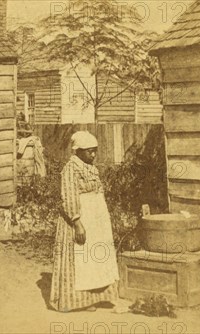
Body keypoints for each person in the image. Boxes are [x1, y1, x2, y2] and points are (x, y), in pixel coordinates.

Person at [49, 131, 119, 312]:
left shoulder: (91, 168)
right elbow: (69, 197)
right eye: (89, 151)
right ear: (78, 151)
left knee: (95, 259)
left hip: (96, 219)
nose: (93, 155)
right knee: (81, 258)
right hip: (79, 218)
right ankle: (76, 300)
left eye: (95, 151)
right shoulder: (71, 169)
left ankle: (94, 298)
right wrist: (77, 223)